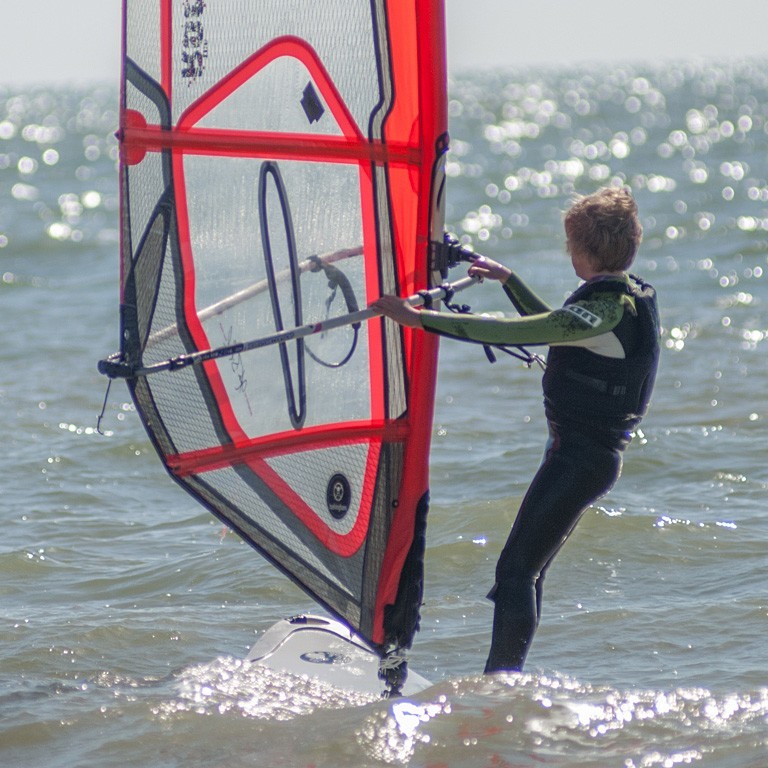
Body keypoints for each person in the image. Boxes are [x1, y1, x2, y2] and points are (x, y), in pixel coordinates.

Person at [370, 187, 660, 673]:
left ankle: (498, 685)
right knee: (527, 571)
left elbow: (522, 331)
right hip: (579, 455)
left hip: (583, 461)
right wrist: (509, 280)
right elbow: (556, 322)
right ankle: (506, 680)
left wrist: (419, 319)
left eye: (571, 246)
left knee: (515, 572)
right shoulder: (618, 298)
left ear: (583, 251)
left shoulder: (610, 310)